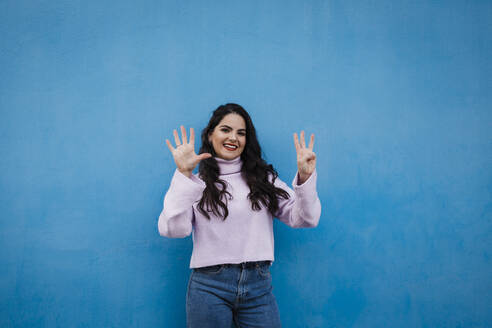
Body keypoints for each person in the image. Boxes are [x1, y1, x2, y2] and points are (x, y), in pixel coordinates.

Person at [158, 103, 321, 328]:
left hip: (258, 286)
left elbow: (305, 218)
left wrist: (305, 177)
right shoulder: (197, 184)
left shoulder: (264, 179)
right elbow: (174, 230)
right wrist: (184, 174)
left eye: (241, 133)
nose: (234, 137)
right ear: (210, 134)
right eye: (226, 129)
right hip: (209, 287)